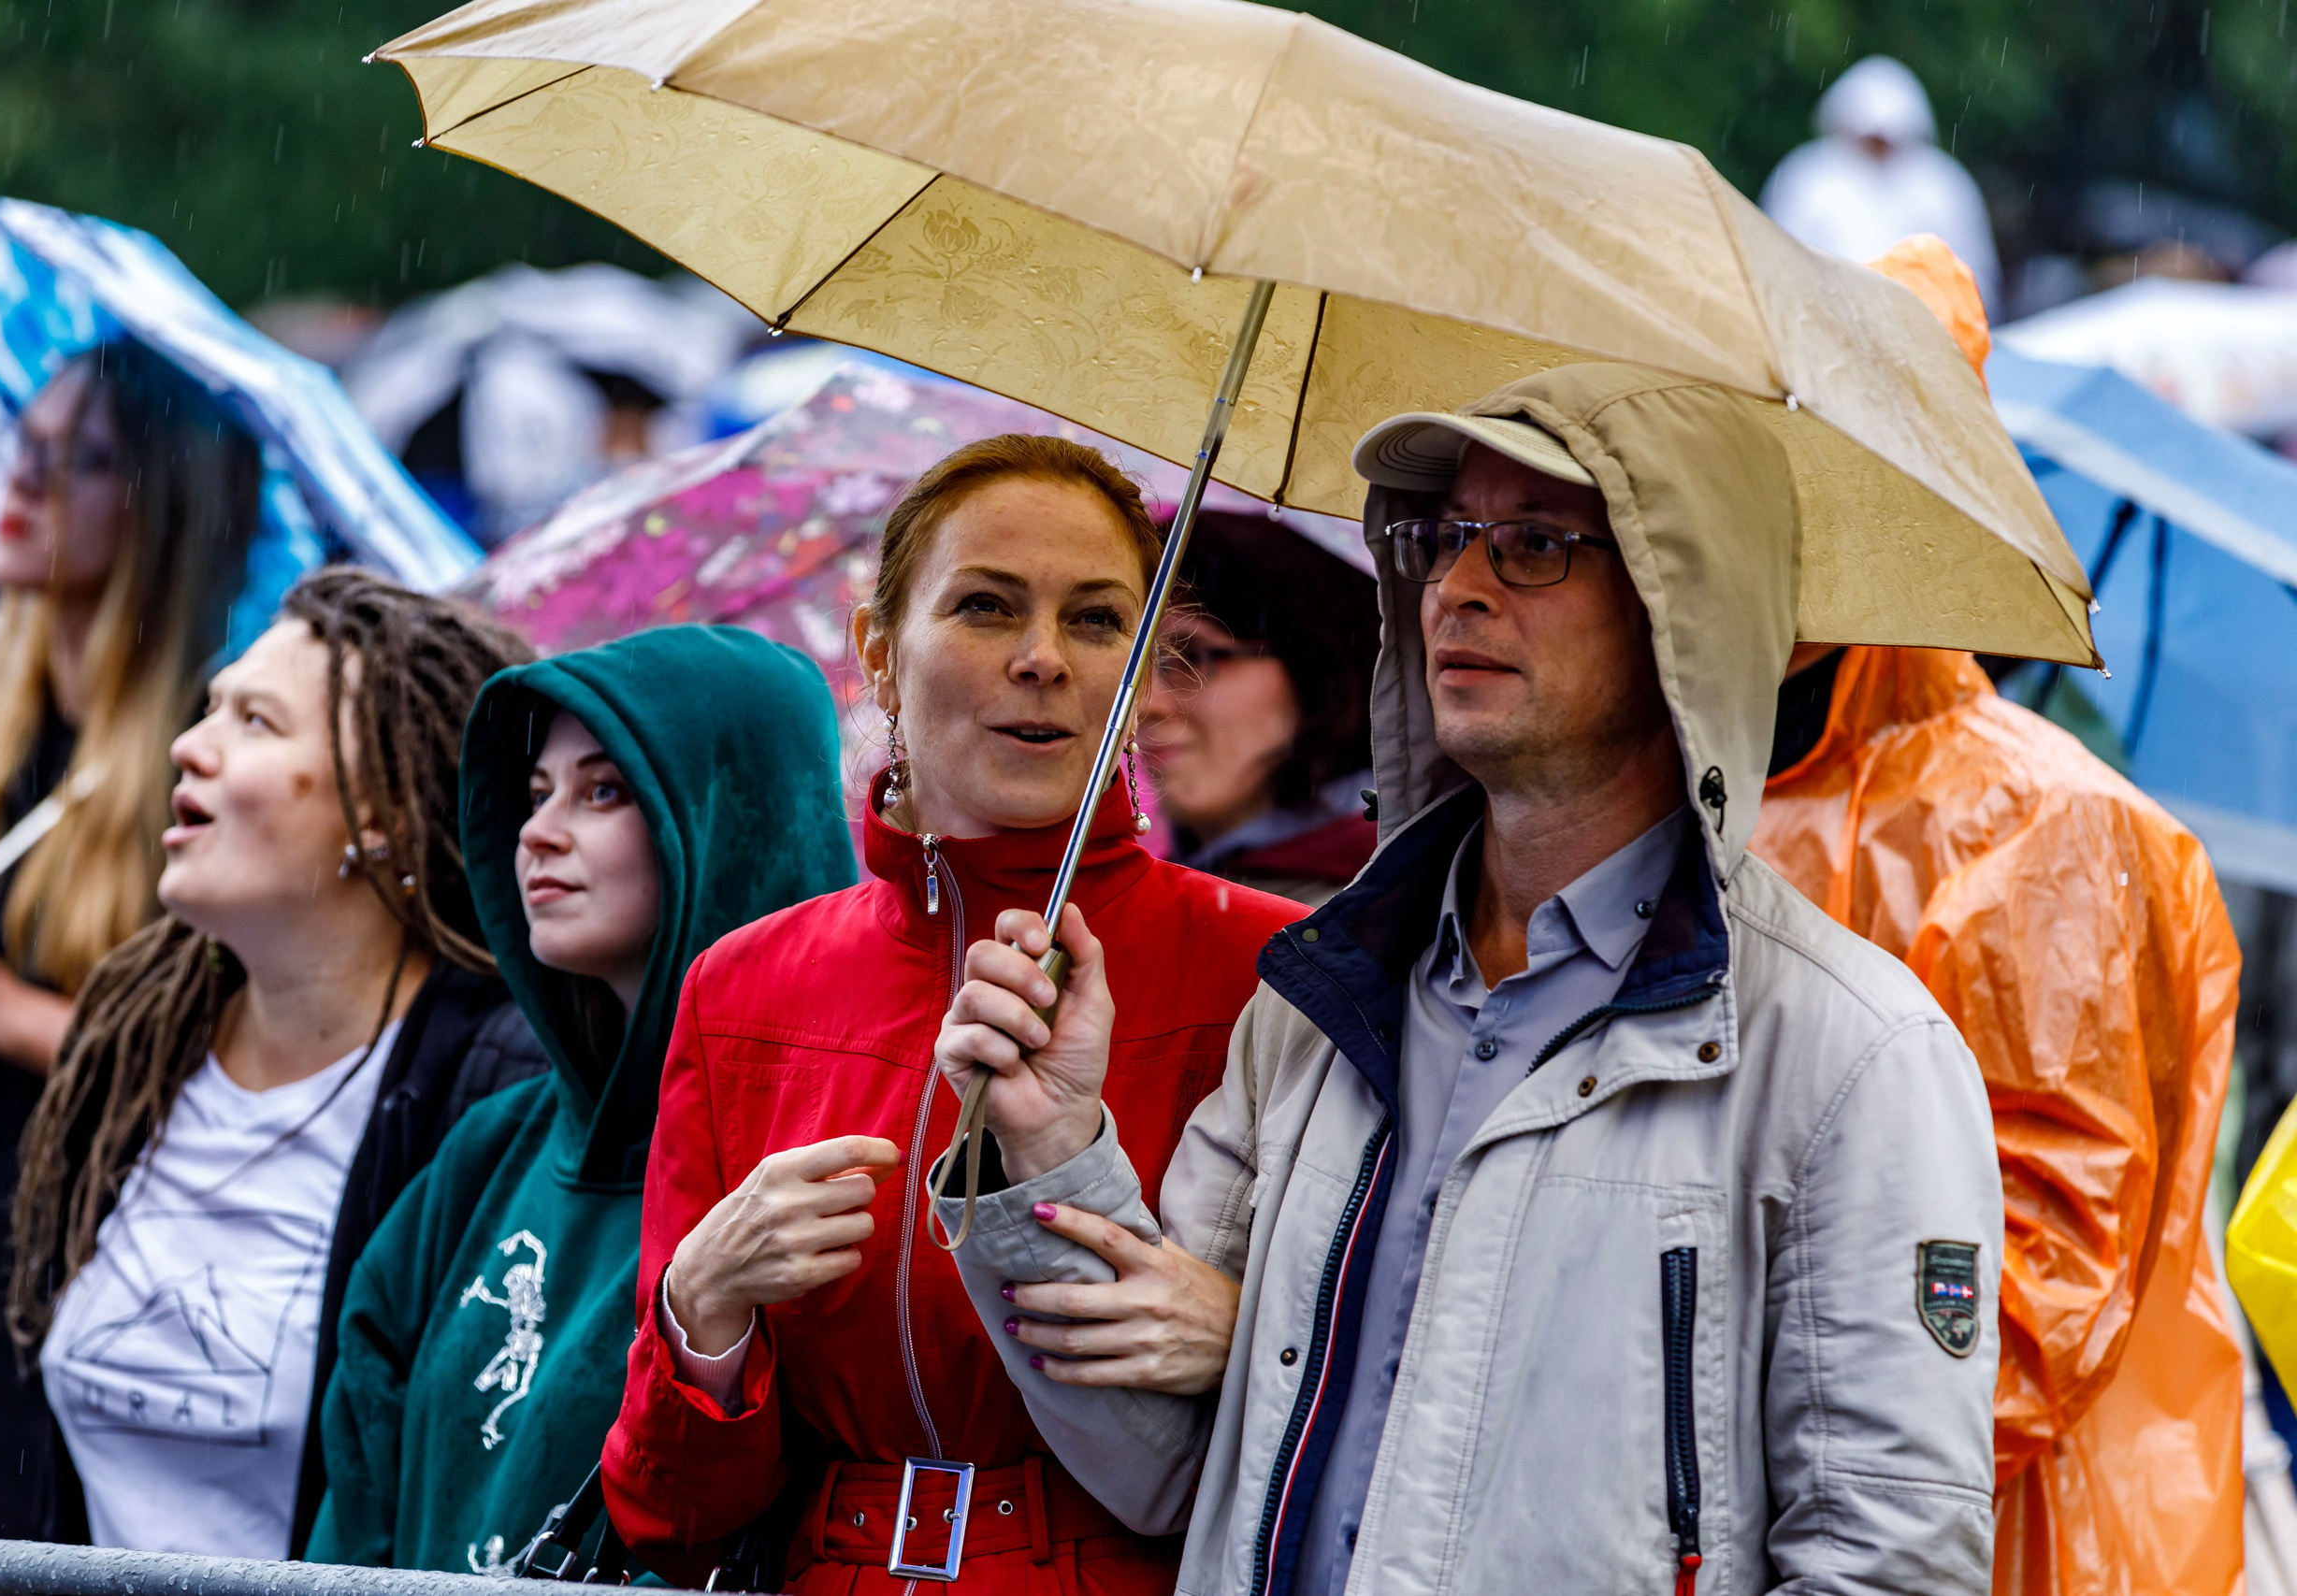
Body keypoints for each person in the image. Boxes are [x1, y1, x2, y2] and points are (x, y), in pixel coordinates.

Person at [933, 367, 2005, 1595]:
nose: (1461, 585)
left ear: (1686, 611)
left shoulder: (1853, 1054)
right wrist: (1054, 1143)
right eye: (1443, 539)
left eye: (1537, 545)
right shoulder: (1320, 994)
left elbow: (1889, 1561)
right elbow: (1171, 1472)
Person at [598, 435, 1305, 1592]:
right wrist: (702, 1310)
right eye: (984, 607)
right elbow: (671, 1516)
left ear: (1142, 670)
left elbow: (1390, 1383)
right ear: (877, 651)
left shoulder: (1276, 967)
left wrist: (1248, 1335)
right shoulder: (743, 985)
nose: (1041, 659)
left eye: (1093, 620)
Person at [1761, 237, 2245, 1596]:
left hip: (2027, 1553)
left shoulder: (2045, 826)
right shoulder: (1697, 775)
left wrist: (1700, 1439)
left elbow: (2014, 1317)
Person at [7, 568, 539, 1556]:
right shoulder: (135, 1040)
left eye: (253, 722)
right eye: (208, 707)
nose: (186, 746)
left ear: (379, 809)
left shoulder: (493, 1084)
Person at [307, 625, 857, 1574]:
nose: (538, 832)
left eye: (603, 790)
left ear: (730, 814)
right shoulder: (486, 1153)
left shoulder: (819, 1168)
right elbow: (357, 1496)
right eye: (533, 795)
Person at [0, 340, 255, 1538]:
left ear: (162, 511)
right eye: (28, 442)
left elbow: (217, 1074)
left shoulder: (203, 773)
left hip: (108, 1304)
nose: (28, 479)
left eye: (84, 458)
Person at [1138, 510, 1378, 907]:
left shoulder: (1394, 912)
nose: (1144, 705)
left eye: (1192, 656)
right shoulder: (1137, 896)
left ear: (1314, 670)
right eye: (1136, 664)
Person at [1760, 55, 2001, 309]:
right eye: (1871, 139)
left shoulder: (1941, 185)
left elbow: (1973, 268)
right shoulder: (1808, 178)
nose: (1879, 148)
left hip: (1925, 330)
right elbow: (1778, 258)